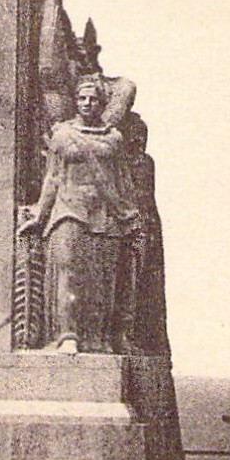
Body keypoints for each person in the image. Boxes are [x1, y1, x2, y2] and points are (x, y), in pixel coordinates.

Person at [18, 75, 140, 353]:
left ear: (102, 103)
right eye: (82, 98)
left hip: (104, 214)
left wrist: (130, 216)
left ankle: (99, 338)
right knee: (68, 273)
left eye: (93, 99)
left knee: (101, 282)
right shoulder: (62, 135)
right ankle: (67, 335)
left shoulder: (114, 139)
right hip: (68, 211)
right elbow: (52, 178)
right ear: (76, 101)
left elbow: (123, 181)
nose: (87, 103)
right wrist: (40, 215)